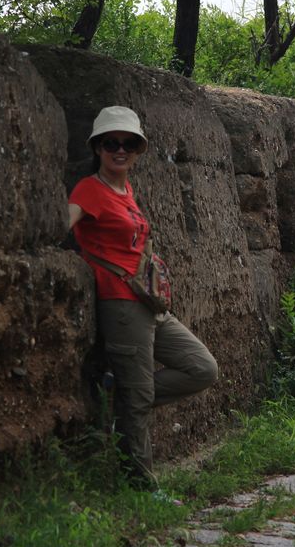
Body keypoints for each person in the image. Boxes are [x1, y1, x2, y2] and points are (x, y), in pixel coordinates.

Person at [67, 105, 219, 488]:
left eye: (129, 144)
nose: (120, 150)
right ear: (98, 147)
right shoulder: (89, 189)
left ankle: (121, 393)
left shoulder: (126, 189)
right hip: (119, 304)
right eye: (111, 143)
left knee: (202, 368)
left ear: (138, 150)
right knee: (137, 402)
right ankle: (141, 487)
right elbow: (58, 224)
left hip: (147, 301)